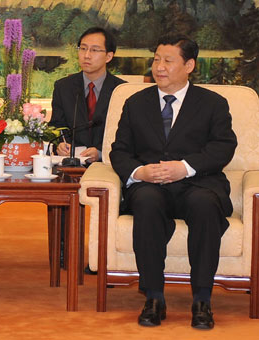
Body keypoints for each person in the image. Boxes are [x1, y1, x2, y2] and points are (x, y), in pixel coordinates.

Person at [109, 34, 237, 329]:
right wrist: (139, 173)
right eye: (156, 60)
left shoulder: (213, 103)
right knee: (145, 201)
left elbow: (222, 147)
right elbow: (120, 151)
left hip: (198, 182)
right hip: (151, 185)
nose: (159, 67)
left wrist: (185, 167)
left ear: (189, 65)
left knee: (205, 205)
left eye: (168, 61)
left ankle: (202, 300)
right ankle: (154, 297)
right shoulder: (135, 102)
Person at [50, 26, 125, 163]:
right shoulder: (63, 87)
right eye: (83, 48)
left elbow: (127, 137)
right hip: (70, 165)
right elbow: (56, 126)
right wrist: (60, 145)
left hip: (107, 168)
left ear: (109, 56)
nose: (87, 55)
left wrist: (102, 153)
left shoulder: (121, 90)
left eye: (94, 50)